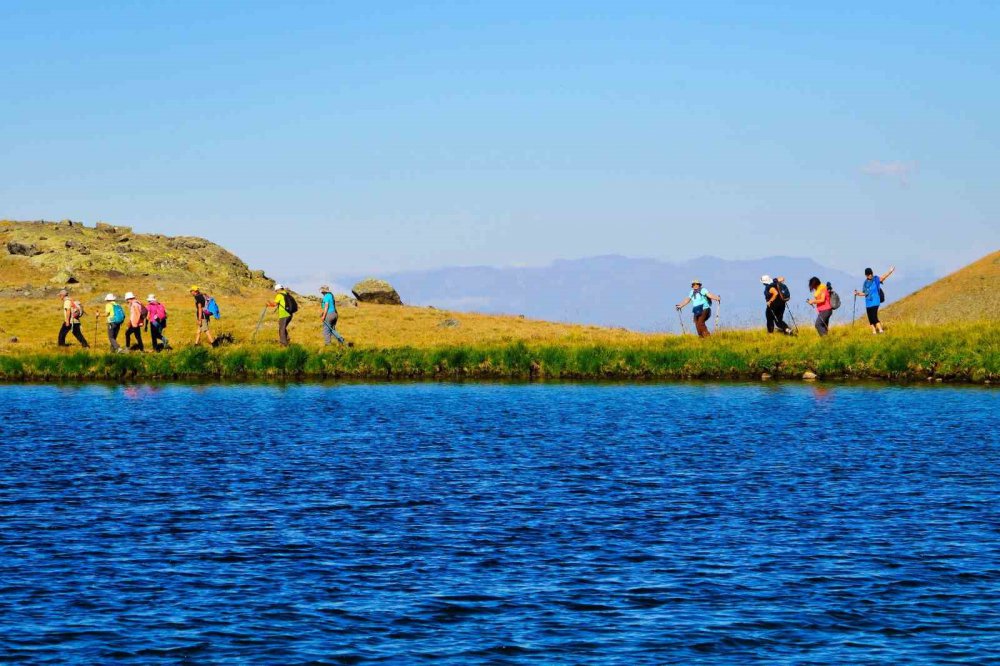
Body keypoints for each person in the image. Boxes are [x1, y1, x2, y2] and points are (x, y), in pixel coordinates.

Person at [854, 266, 895, 334]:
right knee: (870, 318)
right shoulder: (865, 283)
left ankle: (881, 330)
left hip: (875, 301)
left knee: (874, 316)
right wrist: (857, 293)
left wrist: (890, 271)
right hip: (868, 302)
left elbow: (883, 277)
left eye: (871, 274)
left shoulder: (876, 279)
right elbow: (865, 293)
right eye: (868, 274)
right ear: (866, 275)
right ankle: (874, 332)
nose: (870, 275)